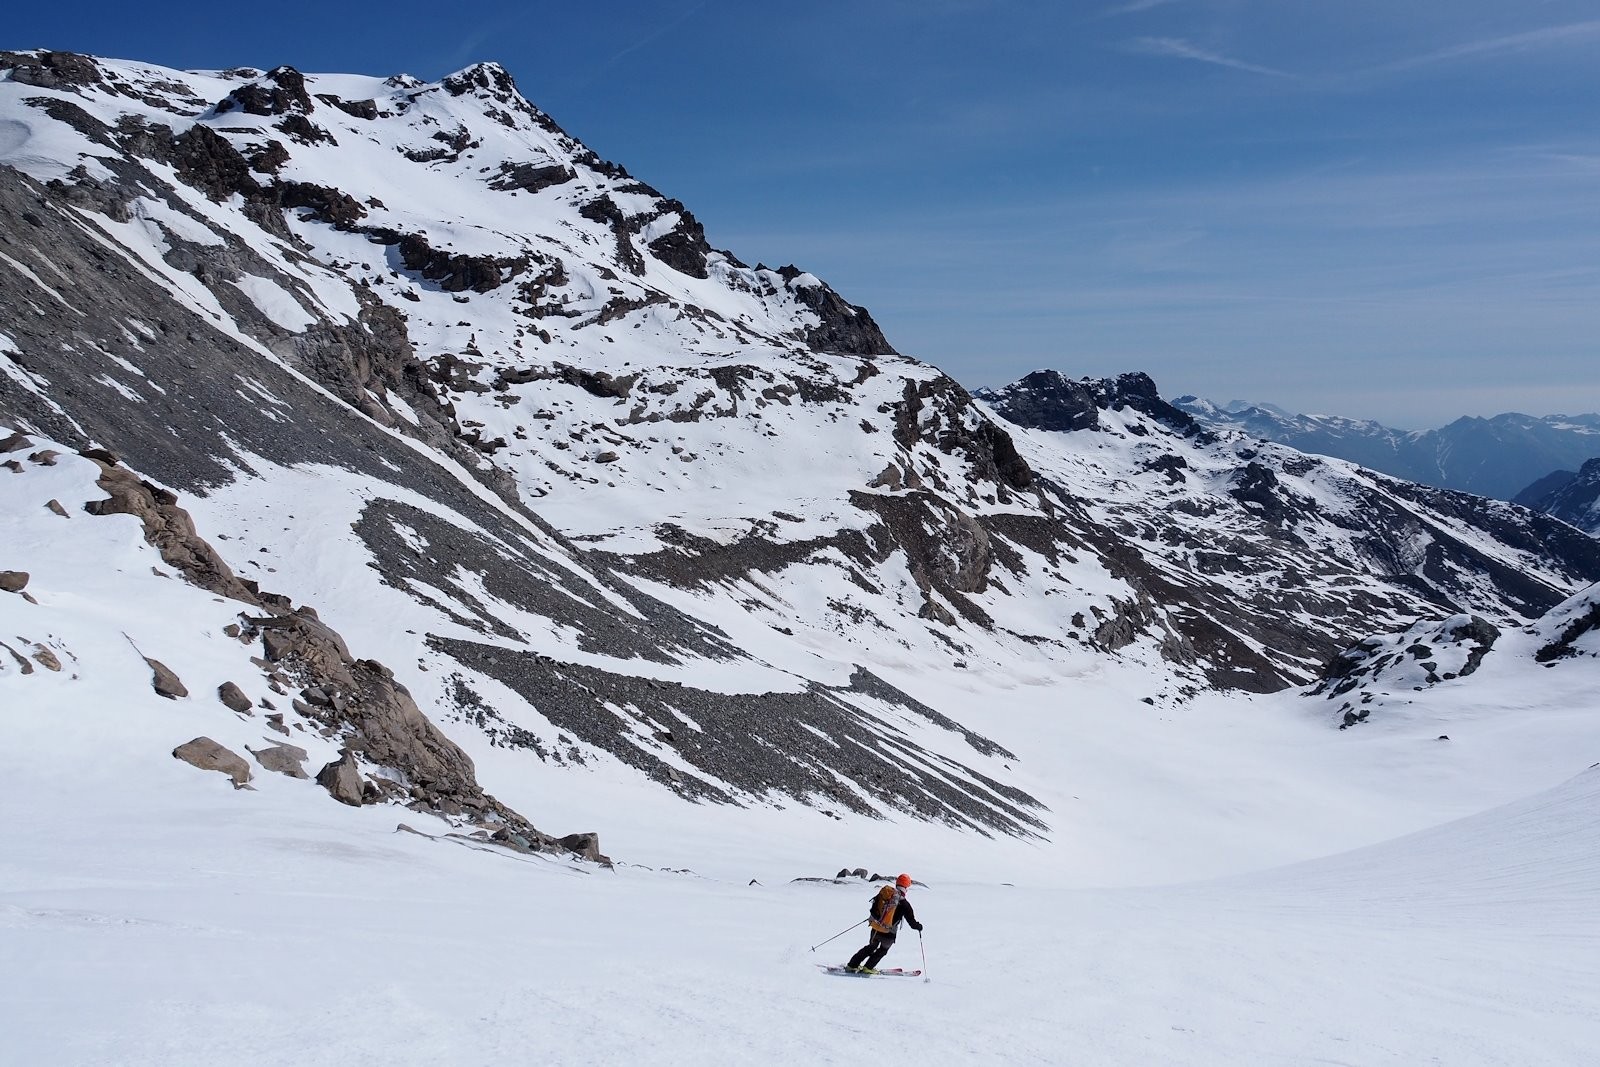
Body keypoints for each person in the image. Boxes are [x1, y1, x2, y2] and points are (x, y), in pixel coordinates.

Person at [846, 873, 923, 973]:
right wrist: (919, 927)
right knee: (882, 950)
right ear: (906, 887)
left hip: (876, 928)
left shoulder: (885, 894)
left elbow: (874, 907)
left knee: (870, 947)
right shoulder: (905, 904)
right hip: (889, 933)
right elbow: (912, 923)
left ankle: (852, 965)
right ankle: (868, 968)